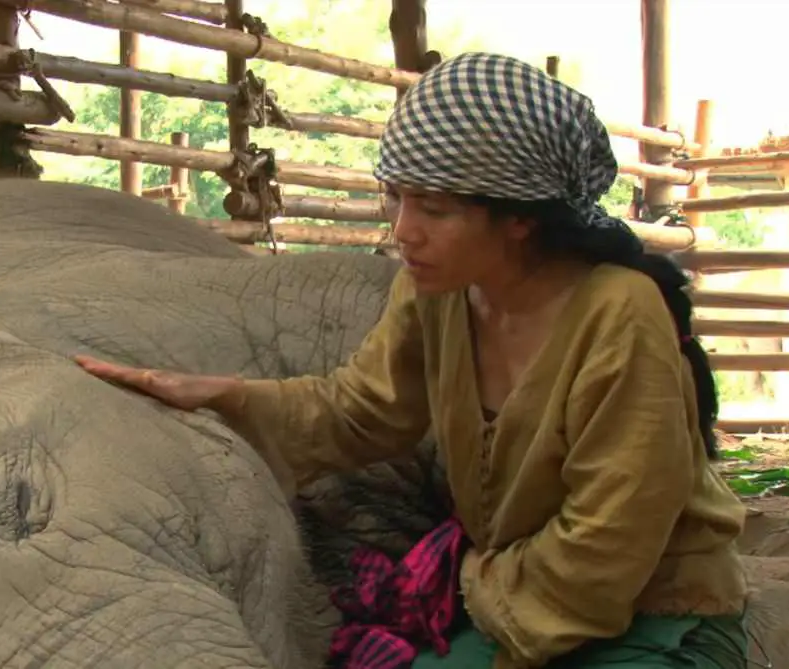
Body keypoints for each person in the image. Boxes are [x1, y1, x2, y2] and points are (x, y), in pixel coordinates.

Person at [74, 52, 751, 668]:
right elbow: (362, 409)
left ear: (519, 218)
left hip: (650, 617)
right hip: (519, 600)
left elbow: (610, 543)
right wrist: (221, 396)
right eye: (397, 199)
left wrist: (476, 586)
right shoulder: (438, 294)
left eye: (433, 209)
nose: (403, 232)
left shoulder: (620, 313)